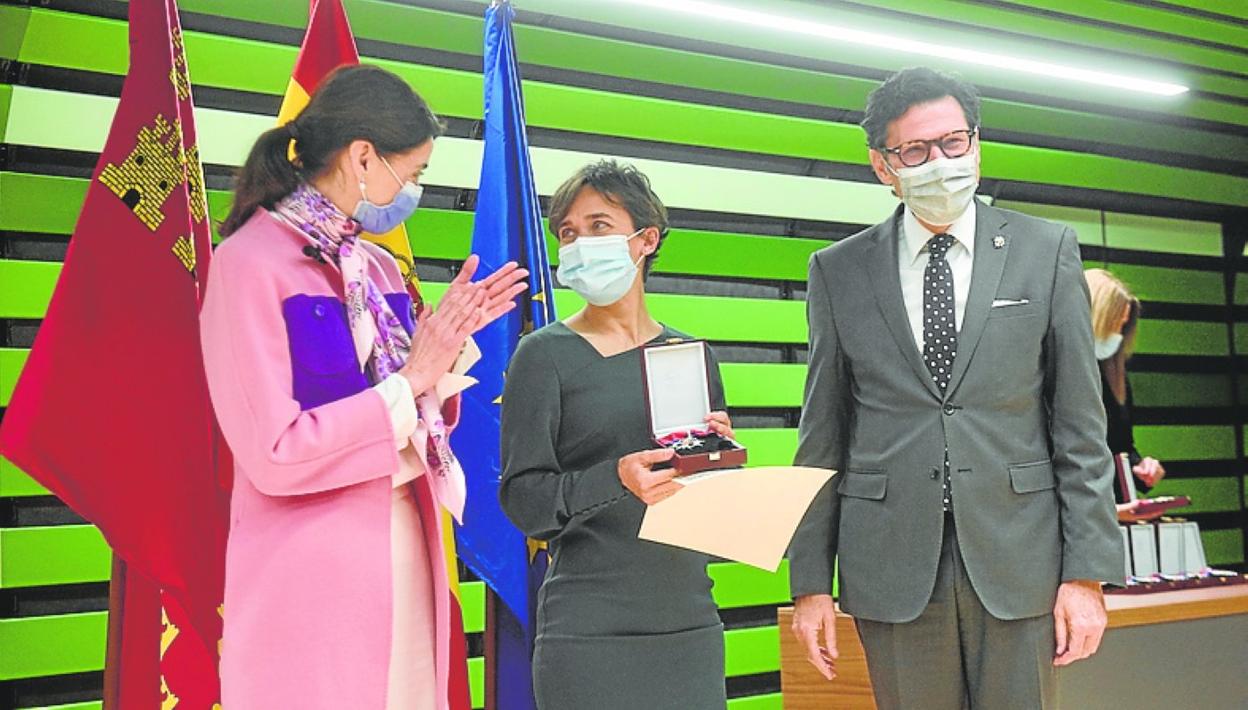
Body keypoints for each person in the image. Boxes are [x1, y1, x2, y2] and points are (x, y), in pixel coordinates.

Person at [787, 67, 1122, 709]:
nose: (938, 162)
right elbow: (822, 435)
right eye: (915, 150)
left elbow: (1080, 426)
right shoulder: (838, 270)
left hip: (1020, 557)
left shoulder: (1045, 249)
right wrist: (810, 584)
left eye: (953, 142)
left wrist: (1086, 576)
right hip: (890, 562)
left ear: (977, 143)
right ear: (883, 166)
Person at [201, 65, 526, 709]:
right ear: (362, 157)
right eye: (415, 173)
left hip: (408, 559)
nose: (414, 191)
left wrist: (450, 346)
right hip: (310, 586)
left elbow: (416, 412)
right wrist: (413, 377)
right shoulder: (247, 265)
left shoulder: (375, 266)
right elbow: (276, 450)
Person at [498, 160, 736, 710]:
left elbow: (707, 506)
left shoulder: (691, 356)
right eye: (568, 233)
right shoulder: (543, 356)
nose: (581, 242)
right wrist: (615, 478)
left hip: (689, 623)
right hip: (589, 632)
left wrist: (719, 462)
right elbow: (524, 499)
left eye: (599, 225)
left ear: (645, 239)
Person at [1085, 268, 1166, 522]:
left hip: (1113, 514)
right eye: (1113, 324)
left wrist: (1142, 468)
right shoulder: (1049, 374)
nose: (1117, 335)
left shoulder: (1115, 377)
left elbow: (1120, 446)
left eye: (1123, 326)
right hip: (1080, 517)